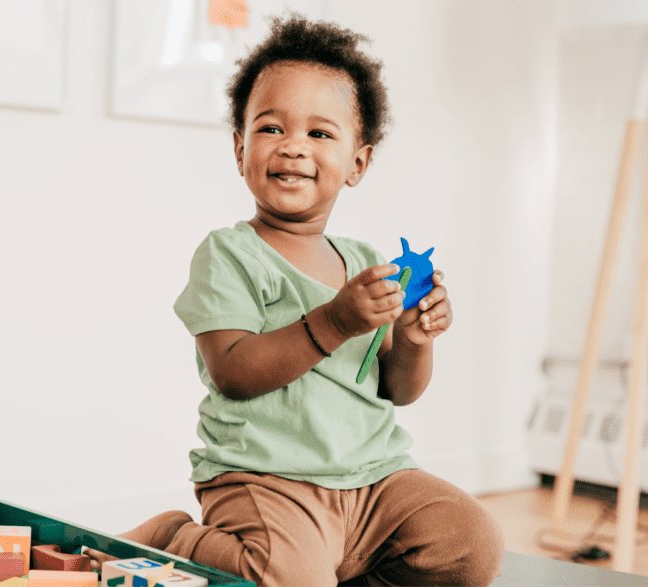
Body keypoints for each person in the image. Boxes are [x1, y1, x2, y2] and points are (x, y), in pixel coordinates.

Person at [97, 15, 504, 587]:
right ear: (240, 149)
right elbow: (234, 373)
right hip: (267, 480)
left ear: (357, 164)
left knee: (472, 545)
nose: (292, 146)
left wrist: (415, 338)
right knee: (290, 577)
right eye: (270, 129)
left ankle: (336, 565)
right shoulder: (229, 255)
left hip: (373, 480)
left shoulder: (364, 261)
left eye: (319, 133)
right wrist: (336, 319)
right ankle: (180, 538)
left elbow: (396, 389)